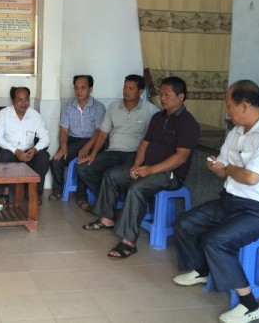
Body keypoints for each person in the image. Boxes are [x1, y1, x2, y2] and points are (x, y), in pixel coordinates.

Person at [173, 80, 259, 323]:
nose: (227, 111)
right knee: (185, 223)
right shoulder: (236, 132)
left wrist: (228, 168)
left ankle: (250, 306)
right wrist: (217, 167)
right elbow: (223, 170)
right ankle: (204, 269)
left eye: (229, 106)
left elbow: (250, 177)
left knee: (216, 241)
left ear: (245, 105)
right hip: (232, 201)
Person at [83, 76, 200, 260]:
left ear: (181, 97)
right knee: (112, 175)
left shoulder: (188, 123)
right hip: (147, 168)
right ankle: (107, 218)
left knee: (137, 187)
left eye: (167, 95)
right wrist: (137, 164)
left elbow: (181, 157)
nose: (162, 98)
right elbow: (145, 143)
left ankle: (128, 242)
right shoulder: (158, 117)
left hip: (170, 175)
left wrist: (150, 170)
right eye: (161, 94)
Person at [75, 74, 159, 209]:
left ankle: (107, 205)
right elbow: (103, 133)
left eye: (131, 88)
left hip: (134, 154)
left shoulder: (151, 110)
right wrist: (93, 154)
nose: (126, 91)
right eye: (125, 87)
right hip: (113, 152)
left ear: (140, 92)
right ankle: (110, 199)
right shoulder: (113, 107)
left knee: (116, 174)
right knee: (83, 167)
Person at [48, 75, 106, 201]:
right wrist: (63, 146)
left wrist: (87, 147)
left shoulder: (98, 107)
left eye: (83, 88)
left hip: (92, 141)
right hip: (73, 141)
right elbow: (64, 130)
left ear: (90, 89)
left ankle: (81, 197)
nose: (79, 91)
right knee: (56, 161)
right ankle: (57, 191)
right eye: (76, 88)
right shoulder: (69, 107)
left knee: (83, 163)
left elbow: (99, 132)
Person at [0, 86, 50, 204]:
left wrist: (35, 150)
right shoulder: (4, 114)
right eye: (20, 100)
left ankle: (34, 193)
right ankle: (5, 192)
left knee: (44, 157)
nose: (24, 103)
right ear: (13, 101)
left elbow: (45, 138)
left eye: (26, 99)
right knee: (3, 155)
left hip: (29, 154)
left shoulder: (35, 115)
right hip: (11, 152)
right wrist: (15, 151)